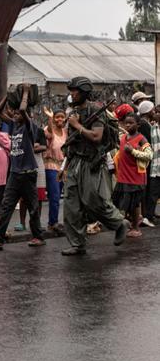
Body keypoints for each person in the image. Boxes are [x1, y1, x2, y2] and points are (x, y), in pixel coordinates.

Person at [60, 77, 130, 256]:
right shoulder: (74, 112)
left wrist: (77, 125)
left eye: (75, 90)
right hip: (75, 161)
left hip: (92, 163)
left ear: (83, 92)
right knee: (71, 205)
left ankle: (119, 223)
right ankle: (77, 244)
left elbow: (97, 137)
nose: (72, 94)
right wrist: (64, 167)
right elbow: (72, 141)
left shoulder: (96, 110)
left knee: (94, 201)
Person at [0, 85, 47, 250]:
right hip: (15, 173)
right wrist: (7, 94)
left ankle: (38, 236)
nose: (15, 114)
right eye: (14, 113)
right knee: (6, 205)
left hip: (28, 173)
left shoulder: (29, 127)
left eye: (18, 113)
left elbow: (24, 111)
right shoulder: (14, 126)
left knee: (32, 207)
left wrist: (25, 93)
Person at [113, 113, 152, 238]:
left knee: (134, 204)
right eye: (126, 123)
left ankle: (136, 227)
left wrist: (133, 151)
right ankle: (129, 224)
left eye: (131, 123)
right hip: (123, 175)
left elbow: (149, 155)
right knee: (124, 203)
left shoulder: (141, 139)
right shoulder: (124, 137)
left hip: (135, 177)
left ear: (138, 125)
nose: (128, 125)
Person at [42, 107, 67, 234]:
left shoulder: (65, 132)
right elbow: (49, 134)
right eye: (57, 117)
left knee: (64, 197)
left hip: (63, 167)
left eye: (62, 117)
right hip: (51, 166)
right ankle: (52, 223)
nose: (60, 119)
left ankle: (58, 222)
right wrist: (50, 118)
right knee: (55, 196)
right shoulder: (48, 129)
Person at [139, 101, 160, 227]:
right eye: (155, 111)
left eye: (158, 112)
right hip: (155, 166)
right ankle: (147, 216)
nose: (155, 114)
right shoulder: (152, 128)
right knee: (153, 193)